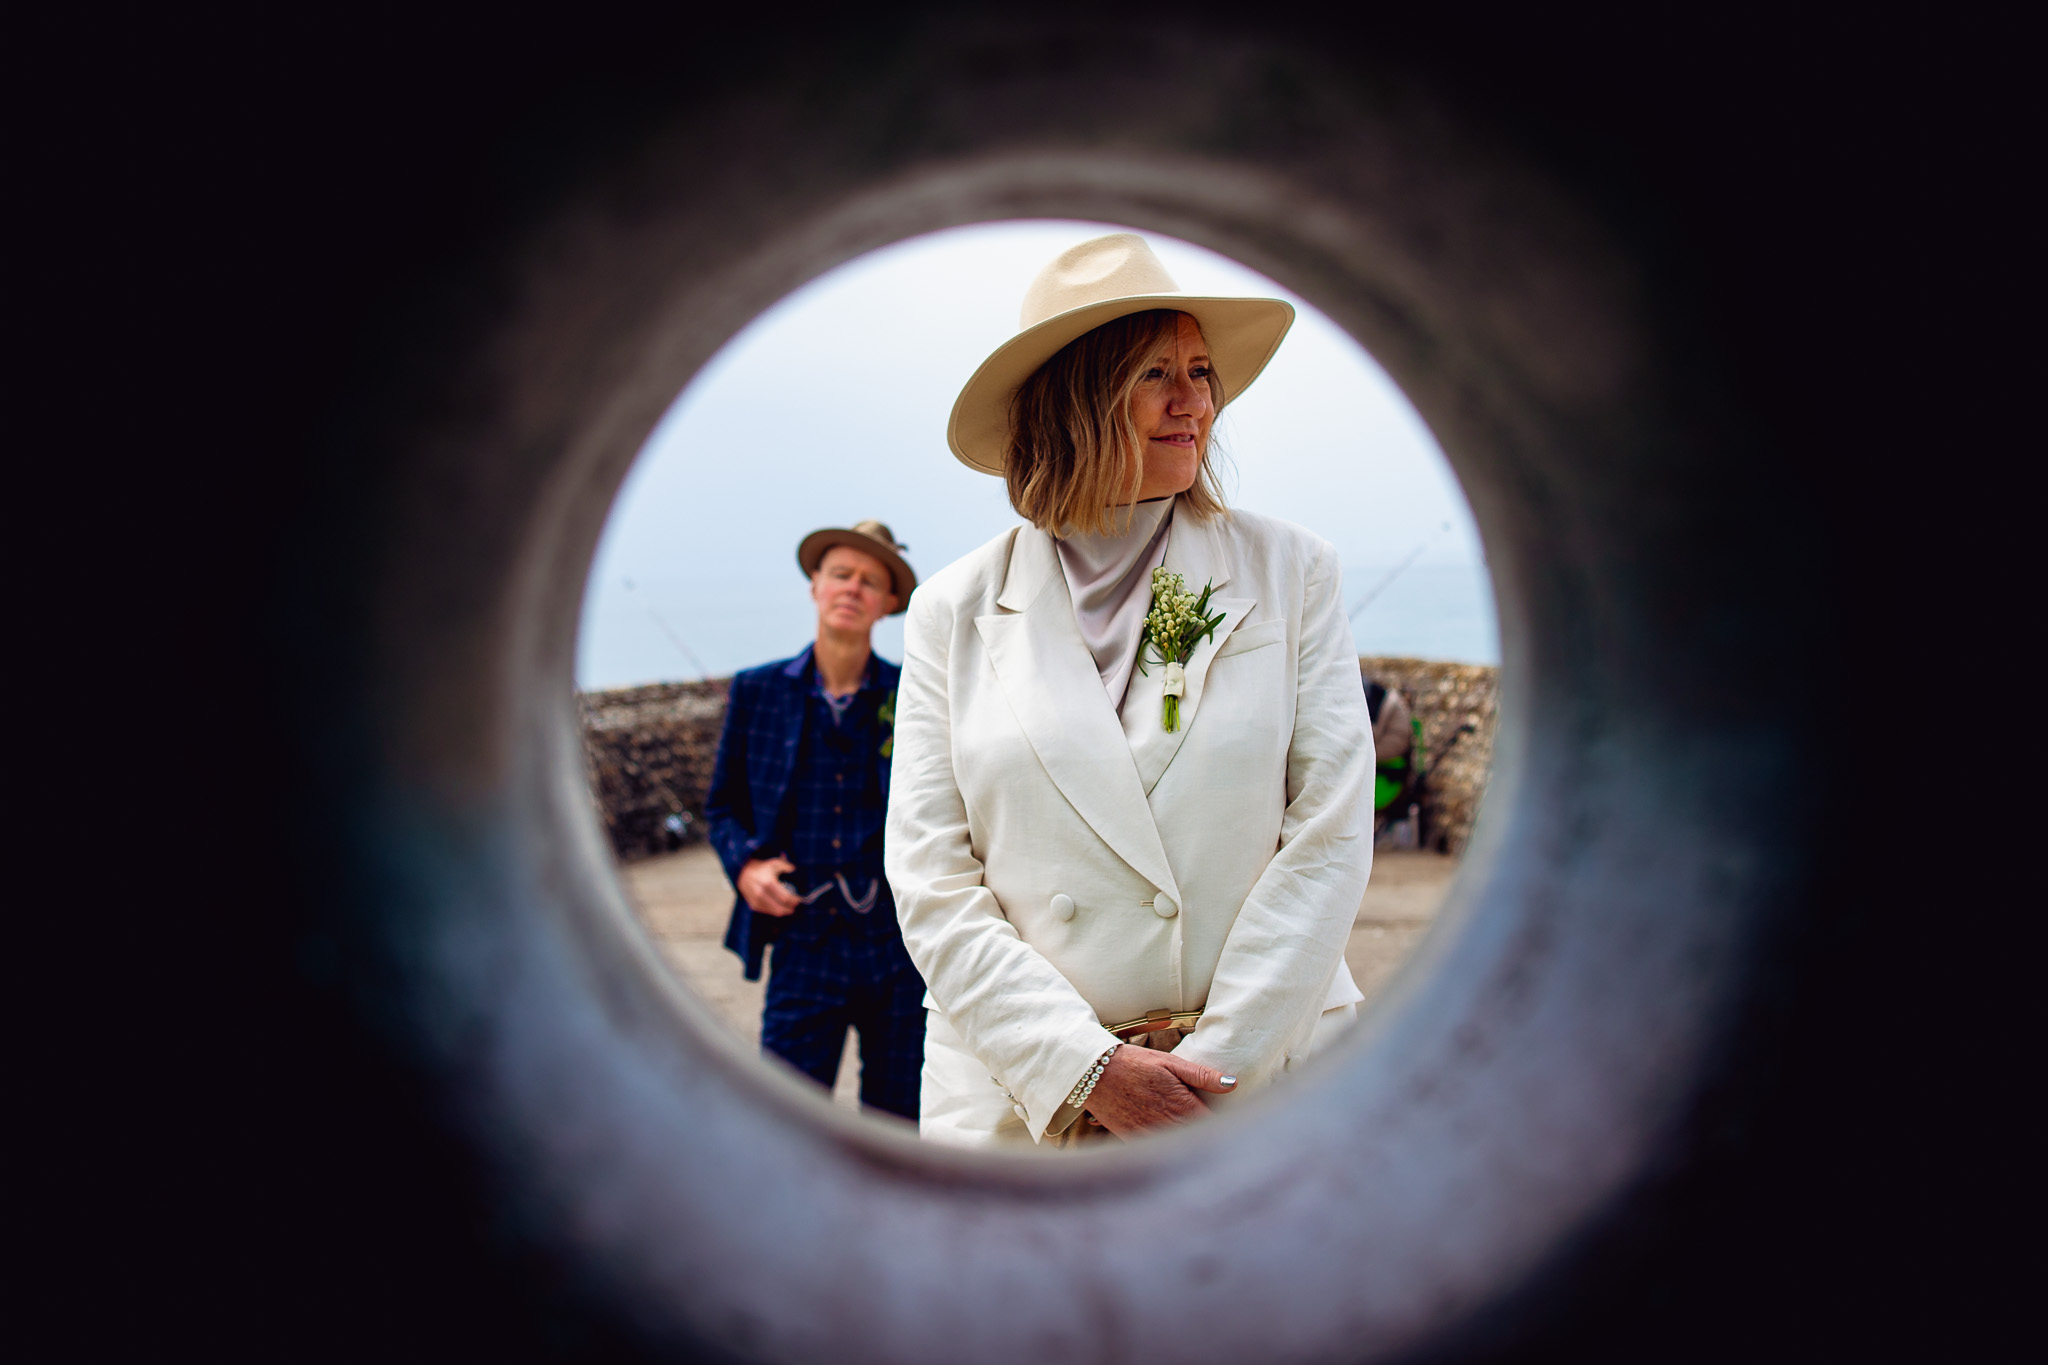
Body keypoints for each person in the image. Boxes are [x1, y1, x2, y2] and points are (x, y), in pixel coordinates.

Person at [885, 234, 1376, 1147]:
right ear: (1077, 397)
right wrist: (1083, 1068)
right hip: (1022, 1104)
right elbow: (930, 875)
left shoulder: (1292, 570)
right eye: (1157, 374)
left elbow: (1331, 833)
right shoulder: (950, 609)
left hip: (1265, 1089)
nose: (1197, 401)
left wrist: (1212, 1075)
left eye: (1200, 370)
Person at [705, 520, 925, 1120]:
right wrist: (745, 867)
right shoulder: (758, 691)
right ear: (815, 587)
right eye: (840, 575)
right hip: (803, 942)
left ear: (888, 603)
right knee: (787, 1122)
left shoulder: (913, 695)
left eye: (869, 581)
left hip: (898, 947)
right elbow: (721, 807)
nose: (852, 589)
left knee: (900, 1122)